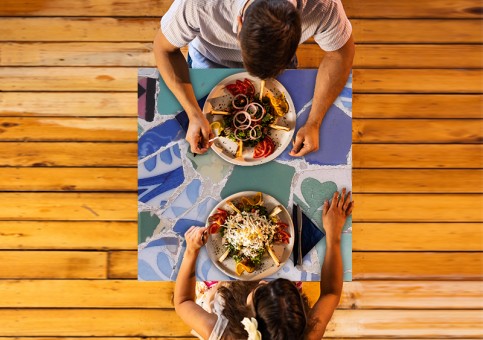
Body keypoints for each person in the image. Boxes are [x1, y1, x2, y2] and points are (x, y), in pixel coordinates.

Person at [154, 0, 355, 157]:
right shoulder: (197, 5)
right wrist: (193, 114)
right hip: (209, 60)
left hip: (282, 69)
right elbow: (163, 49)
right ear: (239, 22)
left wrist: (314, 122)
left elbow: (340, 55)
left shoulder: (324, 6)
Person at [174, 188, 354, 339]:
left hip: (223, 293)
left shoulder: (224, 334)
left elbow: (183, 302)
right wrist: (333, 235)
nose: (264, 281)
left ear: (249, 318)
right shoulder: (306, 335)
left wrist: (191, 251)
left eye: (262, 289)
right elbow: (331, 293)